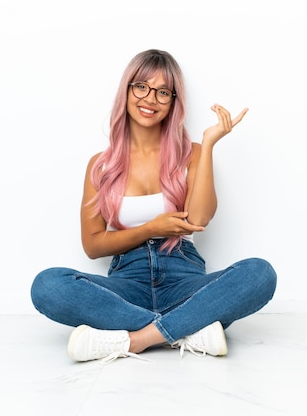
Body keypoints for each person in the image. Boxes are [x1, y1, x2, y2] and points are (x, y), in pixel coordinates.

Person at [30, 49, 277, 363]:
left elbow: (200, 218)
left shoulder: (194, 153)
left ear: (173, 102)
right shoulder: (100, 166)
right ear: (127, 90)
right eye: (142, 87)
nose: (151, 99)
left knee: (259, 274)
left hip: (183, 278)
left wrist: (211, 142)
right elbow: (92, 245)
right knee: (48, 285)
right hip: (126, 285)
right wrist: (151, 228)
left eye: (163, 92)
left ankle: (136, 340)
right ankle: (187, 327)